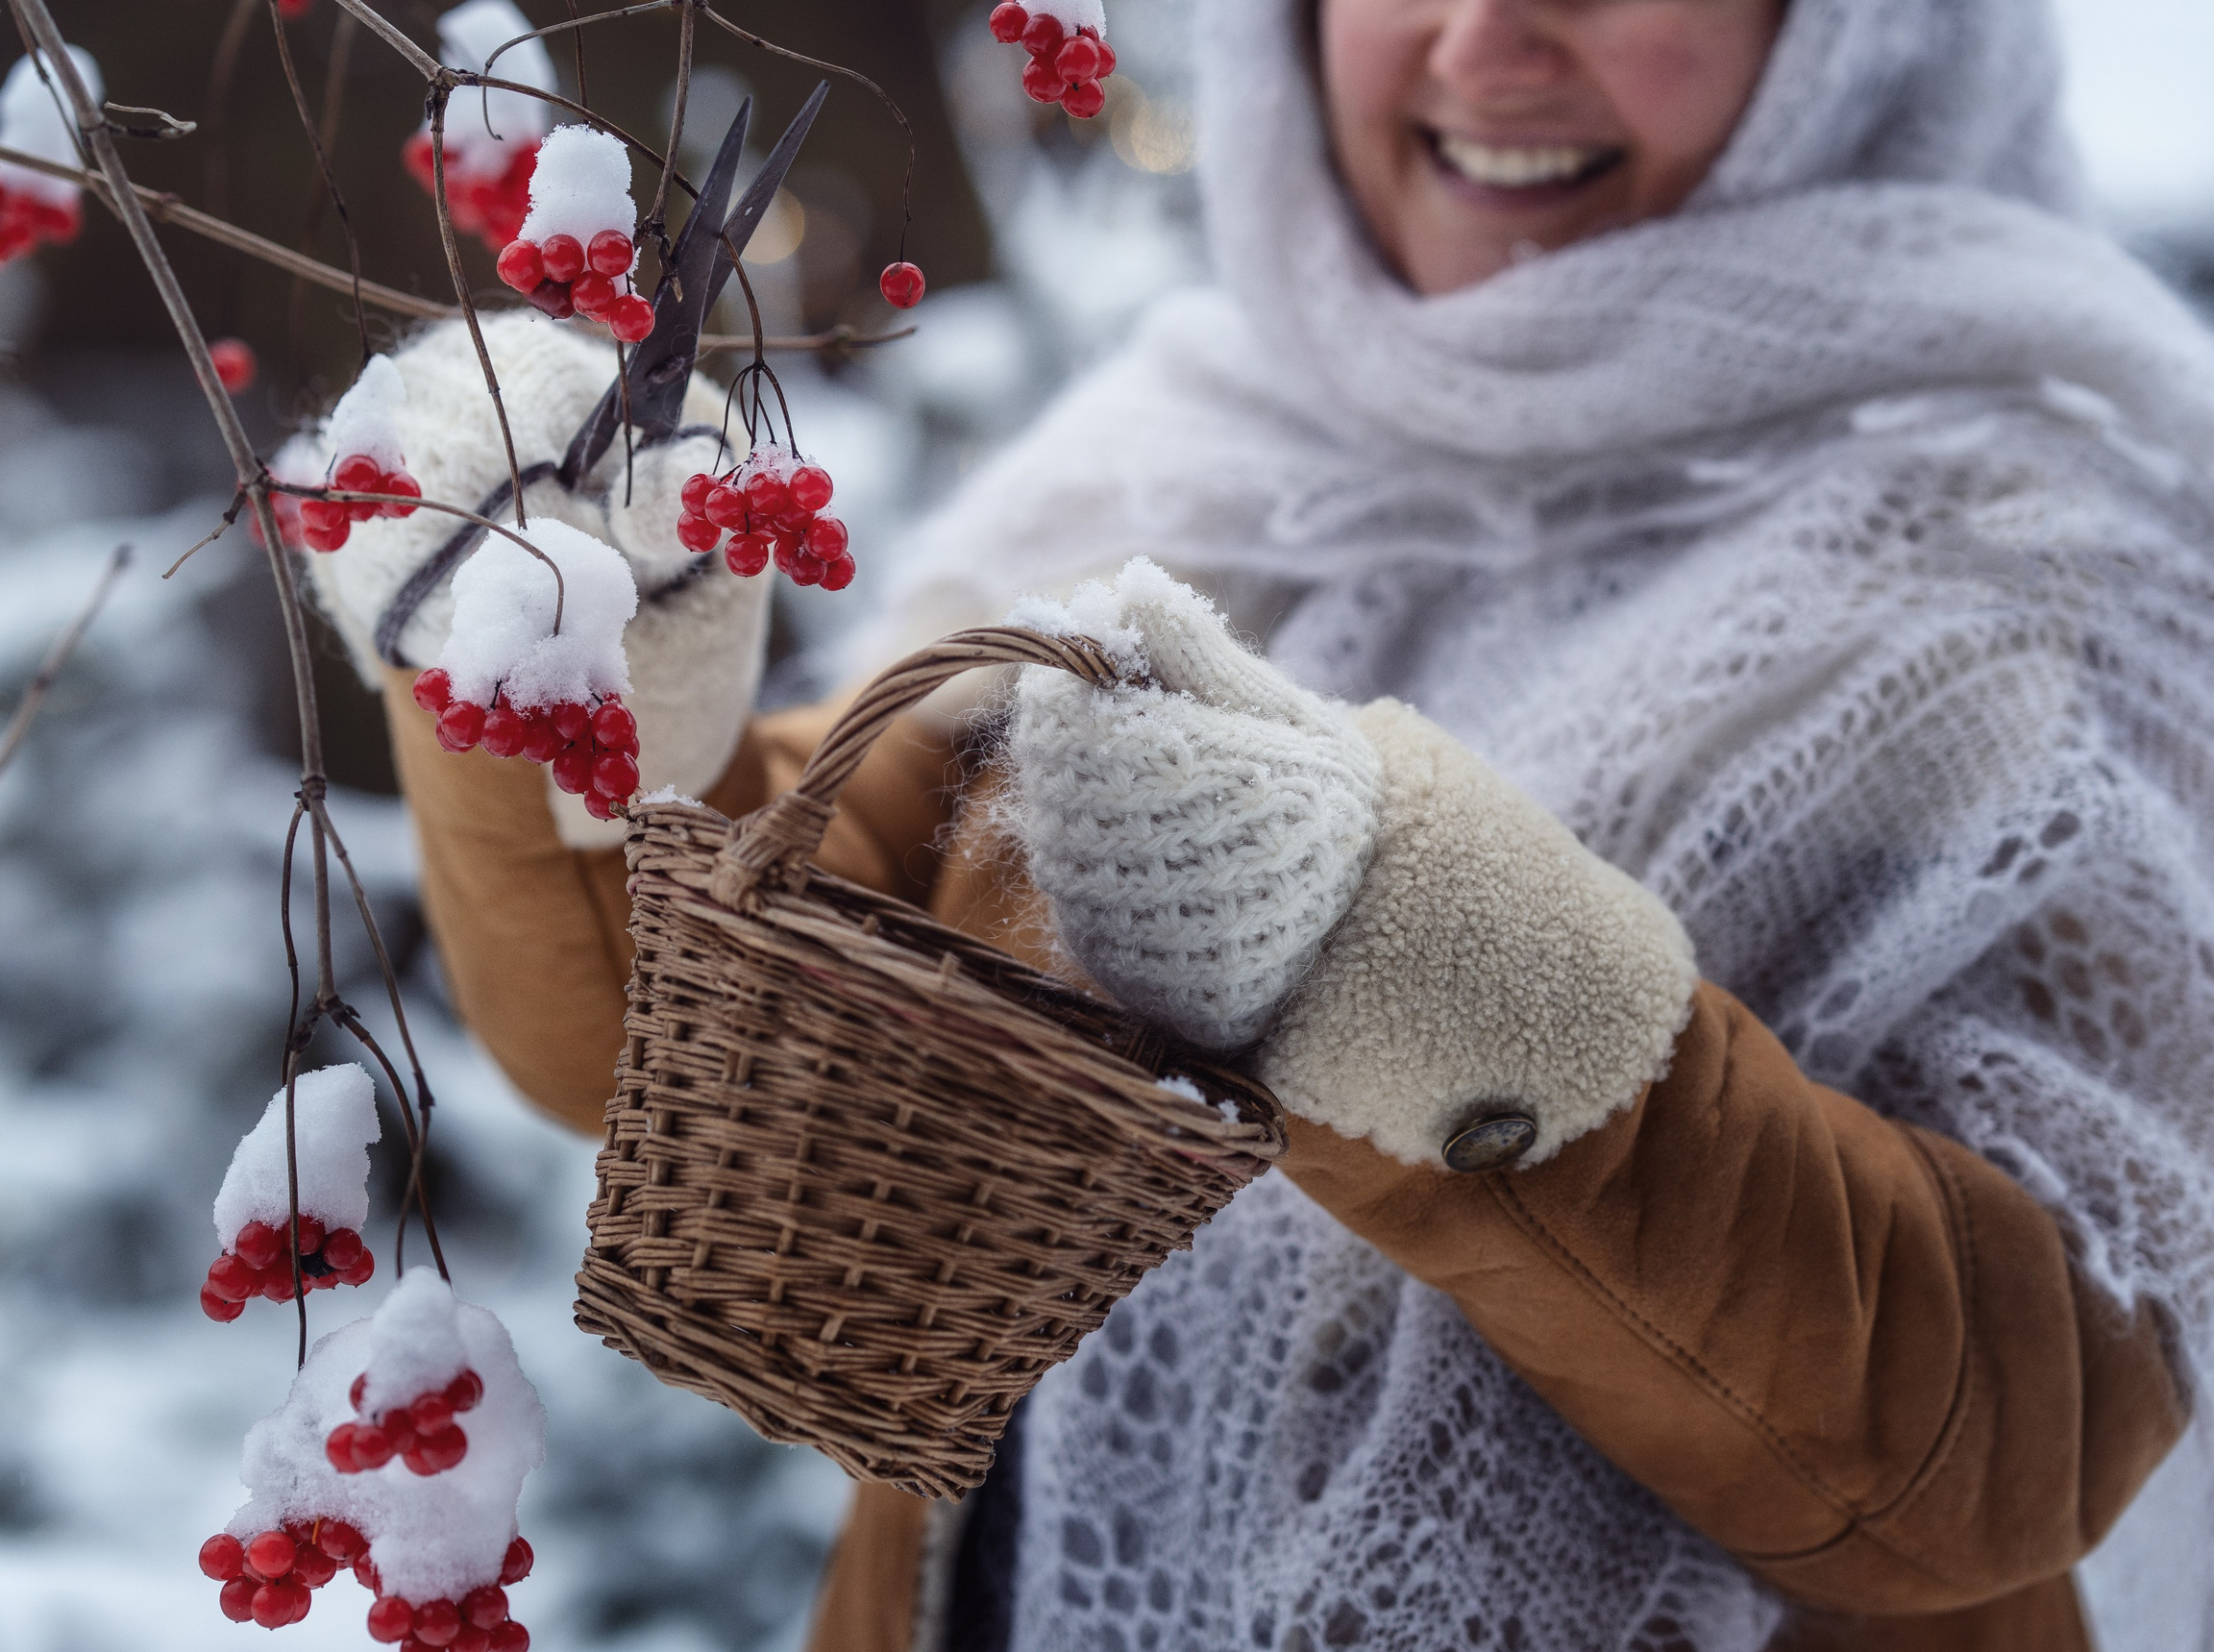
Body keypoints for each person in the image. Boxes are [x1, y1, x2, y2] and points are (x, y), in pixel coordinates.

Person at [305, 0, 2214, 1645]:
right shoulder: (1172, 472)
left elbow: (2018, 1425)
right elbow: (668, 1034)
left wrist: (1443, 976)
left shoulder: (2058, 563)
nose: (1483, 43)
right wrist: (575, 683)